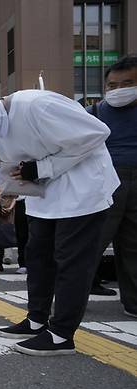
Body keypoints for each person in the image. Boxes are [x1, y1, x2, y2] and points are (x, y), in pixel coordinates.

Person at [0, 88, 120, 356]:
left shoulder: (37, 105)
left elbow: (97, 133)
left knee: (71, 261)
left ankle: (62, 334)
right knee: (37, 256)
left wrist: (41, 168)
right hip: (43, 196)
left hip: (81, 191)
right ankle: (37, 319)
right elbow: (22, 164)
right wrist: (17, 181)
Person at [86, 55, 137, 313]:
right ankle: (67, 300)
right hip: (104, 178)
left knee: (133, 246)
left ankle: (133, 302)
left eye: (127, 84)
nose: (119, 90)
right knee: (90, 242)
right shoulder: (92, 113)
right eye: (112, 85)